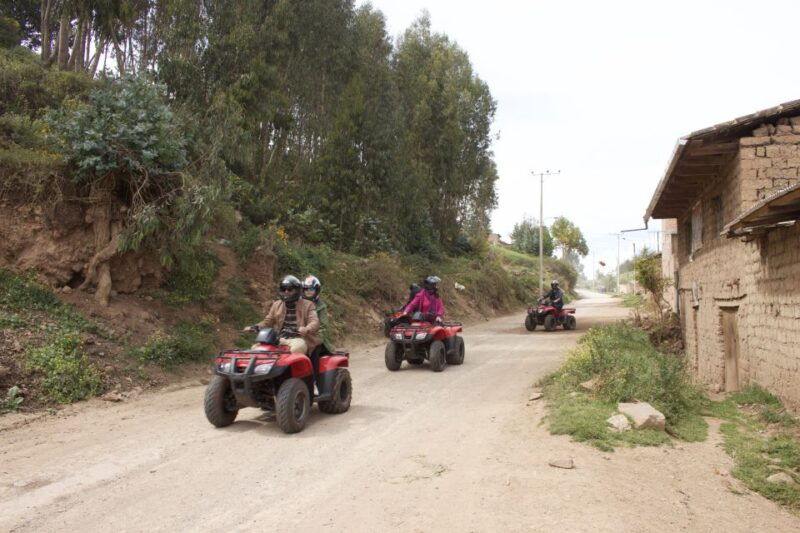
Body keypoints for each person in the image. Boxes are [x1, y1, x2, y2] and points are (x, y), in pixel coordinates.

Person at [246, 275, 320, 354]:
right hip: (280, 338)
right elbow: (268, 321)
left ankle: (291, 366)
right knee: (255, 348)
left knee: (297, 349)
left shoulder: (308, 305)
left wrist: (307, 328)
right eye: (284, 289)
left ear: (297, 290)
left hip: (299, 339)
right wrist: (256, 327)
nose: (286, 292)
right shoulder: (276, 304)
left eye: (290, 289)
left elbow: (314, 321)